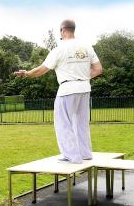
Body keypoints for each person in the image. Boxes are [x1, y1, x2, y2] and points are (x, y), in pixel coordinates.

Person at [14, 19, 102, 163]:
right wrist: (82, 77)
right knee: (81, 122)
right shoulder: (87, 46)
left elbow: (41, 70)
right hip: (85, 88)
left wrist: (27, 73)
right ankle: (85, 153)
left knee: (62, 122)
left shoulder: (59, 49)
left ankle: (72, 156)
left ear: (62, 30)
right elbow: (98, 69)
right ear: (73, 29)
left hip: (67, 89)